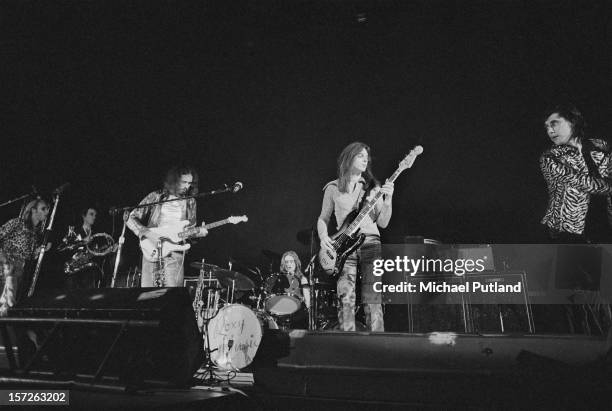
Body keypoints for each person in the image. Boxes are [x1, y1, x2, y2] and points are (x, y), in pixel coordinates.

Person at [317, 142, 394, 332]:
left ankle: (378, 343)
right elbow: (323, 218)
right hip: (343, 247)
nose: (365, 158)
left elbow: (383, 223)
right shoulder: (333, 188)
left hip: (371, 243)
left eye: (366, 156)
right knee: (346, 296)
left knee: (373, 296)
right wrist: (323, 236)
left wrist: (388, 199)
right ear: (348, 158)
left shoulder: (372, 188)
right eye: (360, 155)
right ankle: (348, 343)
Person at [540, 104, 612, 243]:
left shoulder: (600, 146)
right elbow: (589, 184)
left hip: (604, 226)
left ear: (572, 122)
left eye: (554, 124)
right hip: (569, 231)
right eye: (547, 127)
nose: (550, 130)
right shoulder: (550, 158)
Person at [127, 165, 207, 287]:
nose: (187, 186)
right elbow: (130, 217)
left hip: (175, 252)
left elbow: (189, 232)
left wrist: (198, 233)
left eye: (190, 183)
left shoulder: (190, 202)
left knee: (172, 296)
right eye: (183, 182)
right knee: (148, 295)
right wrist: (147, 232)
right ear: (173, 181)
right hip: (151, 247)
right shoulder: (156, 196)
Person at [0, 199, 50, 316]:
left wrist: (42, 249)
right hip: (6, 266)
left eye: (47, 209)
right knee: (7, 303)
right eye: (43, 208)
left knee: (6, 307)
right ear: (33, 210)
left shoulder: (34, 233)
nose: (46, 212)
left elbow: (30, 255)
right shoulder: (17, 223)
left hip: (19, 269)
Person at [265, 251, 310, 328]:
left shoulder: (302, 279)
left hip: (298, 314)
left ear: (296, 263)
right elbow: (273, 297)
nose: (289, 264)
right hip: (282, 312)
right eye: (286, 262)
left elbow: (307, 302)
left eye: (291, 262)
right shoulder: (280, 278)